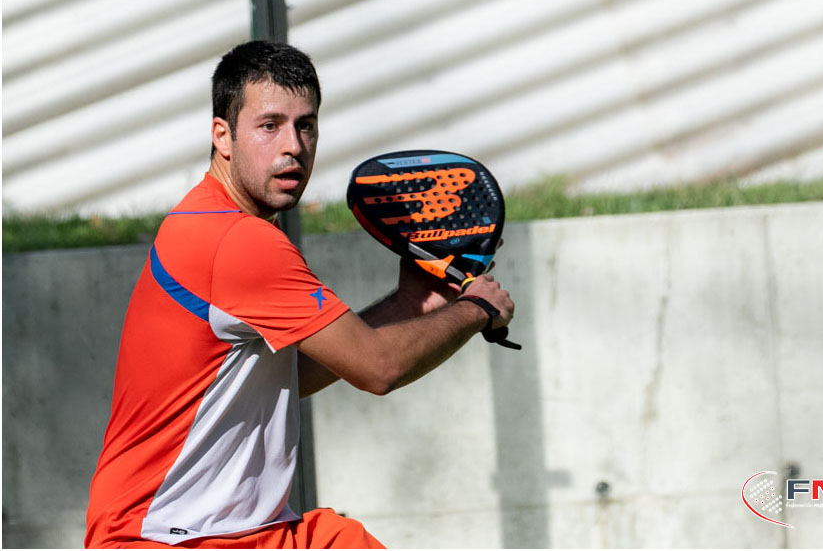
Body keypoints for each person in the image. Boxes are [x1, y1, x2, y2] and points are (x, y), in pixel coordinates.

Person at [84, 40, 515, 549]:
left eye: (305, 125)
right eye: (269, 126)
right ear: (222, 136)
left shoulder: (207, 218)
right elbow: (379, 368)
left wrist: (412, 303)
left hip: (232, 532)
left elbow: (287, 375)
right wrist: (476, 309)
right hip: (165, 539)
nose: (293, 145)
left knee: (342, 539)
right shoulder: (238, 243)